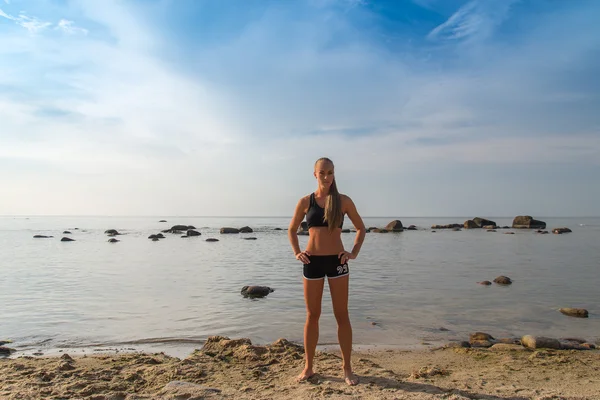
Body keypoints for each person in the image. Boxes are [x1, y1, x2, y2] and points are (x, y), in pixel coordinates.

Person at [288, 157, 366, 386]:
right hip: (312, 263)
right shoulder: (305, 201)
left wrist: (353, 252)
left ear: (334, 174)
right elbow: (292, 230)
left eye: (330, 172)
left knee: (342, 314)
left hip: (337, 262)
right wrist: (296, 252)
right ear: (315, 174)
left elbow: (361, 228)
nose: (326, 177)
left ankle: (347, 368)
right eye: (322, 173)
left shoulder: (343, 201)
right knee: (312, 315)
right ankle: (309, 367)